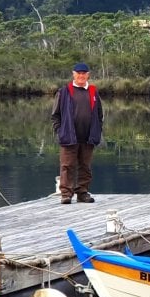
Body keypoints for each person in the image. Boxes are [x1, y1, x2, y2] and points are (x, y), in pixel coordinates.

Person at [50, 62, 104, 204]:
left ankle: (82, 193)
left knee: (85, 166)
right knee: (67, 165)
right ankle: (66, 194)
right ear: (73, 74)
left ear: (88, 75)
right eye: (78, 73)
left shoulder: (93, 91)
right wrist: (60, 131)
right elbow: (55, 115)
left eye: (83, 73)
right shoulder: (64, 91)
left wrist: (98, 130)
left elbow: (99, 114)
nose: (81, 76)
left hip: (88, 137)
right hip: (68, 136)